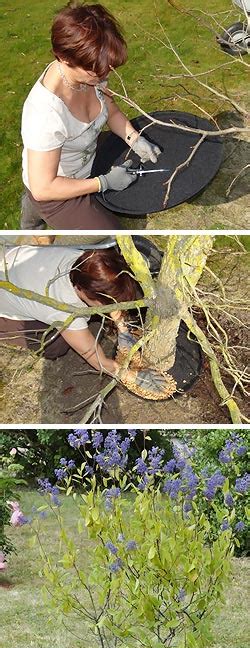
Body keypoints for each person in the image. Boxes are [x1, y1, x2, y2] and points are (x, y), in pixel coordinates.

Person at [21, 2, 160, 230]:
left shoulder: (92, 72)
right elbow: (43, 187)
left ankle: (34, 210)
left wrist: (134, 138)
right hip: (55, 190)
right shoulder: (44, 114)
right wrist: (103, 183)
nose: (104, 75)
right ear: (65, 59)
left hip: (88, 161)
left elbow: (111, 111)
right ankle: (35, 212)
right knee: (113, 237)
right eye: (97, 71)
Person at [0, 243, 170, 396]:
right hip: (5, 303)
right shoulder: (62, 309)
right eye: (107, 303)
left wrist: (123, 331)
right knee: (56, 345)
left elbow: (110, 294)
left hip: (11, 260)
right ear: (82, 290)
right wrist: (132, 376)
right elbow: (99, 361)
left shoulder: (87, 261)